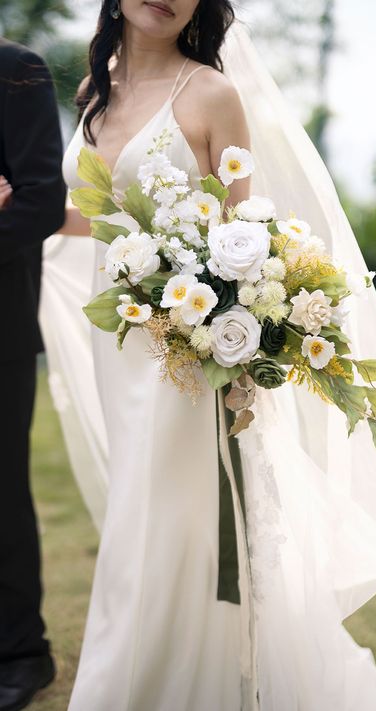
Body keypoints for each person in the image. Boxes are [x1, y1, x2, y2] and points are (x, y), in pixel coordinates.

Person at [44, 1, 376, 709]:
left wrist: (234, 343)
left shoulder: (211, 93)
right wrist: (24, 209)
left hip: (189, 349)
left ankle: (189, 681)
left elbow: (243, 233)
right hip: (120, 339)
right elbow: (101, 216)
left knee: (178, 514)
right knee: (139, 505)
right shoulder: (99, 89)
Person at [0, 38, 65, 711]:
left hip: (1, 324)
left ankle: (23, 653)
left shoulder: (16, 70)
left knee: (0, 493)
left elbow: (41, 202)